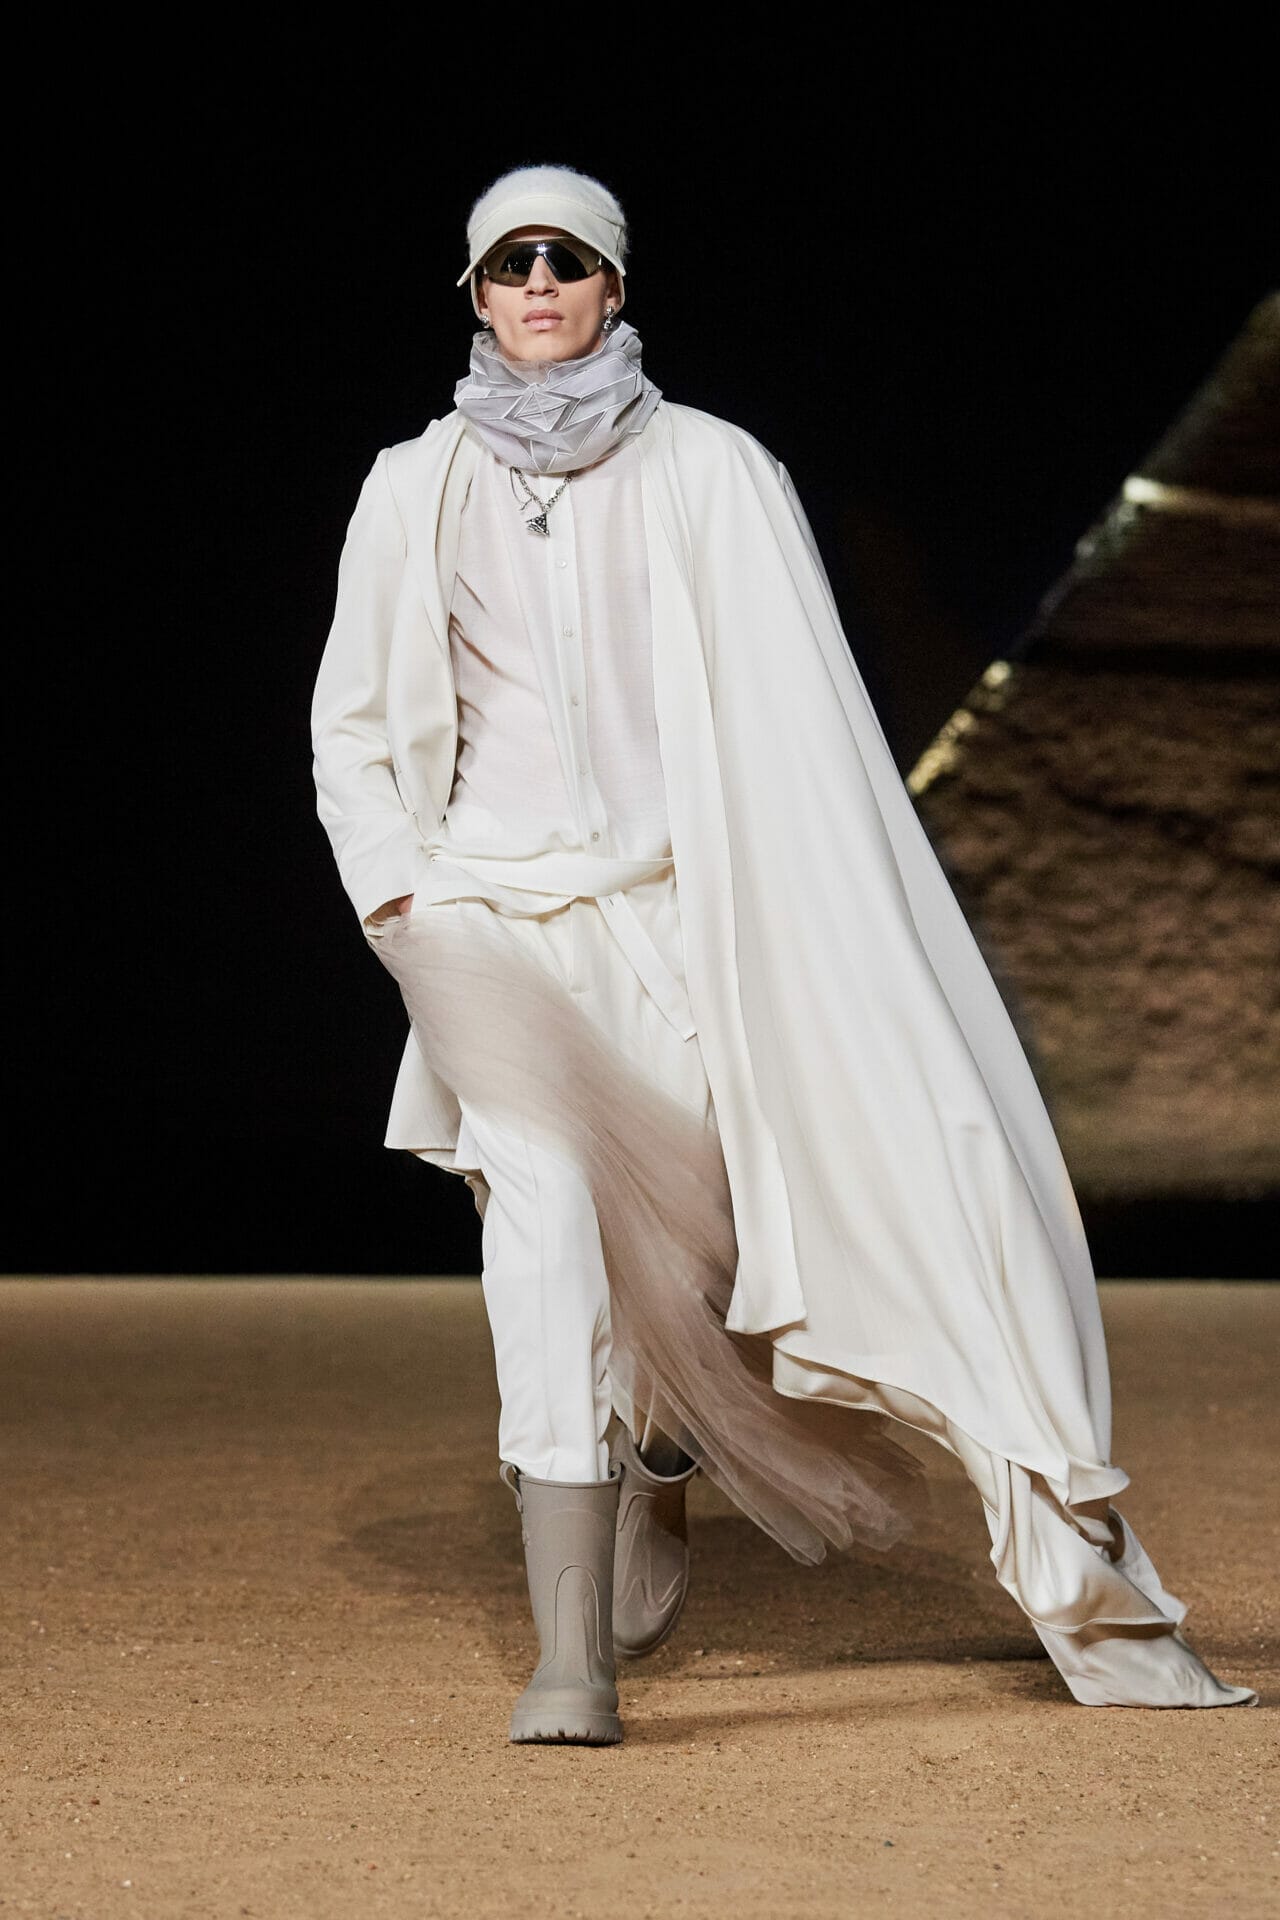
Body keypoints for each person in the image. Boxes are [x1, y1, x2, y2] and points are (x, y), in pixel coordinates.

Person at [311, 164, 1257, 1745]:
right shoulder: (413, 488)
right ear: (473, 295)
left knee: (720, 1242)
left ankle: (669, 1439)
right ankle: (573, 1660)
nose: (537, 284)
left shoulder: (718, 471)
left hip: (688, 922)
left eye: (565, 261)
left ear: (613, 286)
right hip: (495, 927)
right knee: (544, 1237)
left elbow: (802, 727)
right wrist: (404, 903)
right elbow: (353, 726)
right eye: (508, 263)